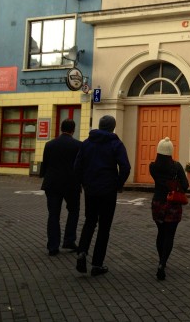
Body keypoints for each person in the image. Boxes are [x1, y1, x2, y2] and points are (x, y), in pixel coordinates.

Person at [74, 115, 130, 276]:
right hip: (108, 190)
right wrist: (118, 184)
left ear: (99, 125)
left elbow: (77, 166)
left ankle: (82, 252)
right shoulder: (115, 143)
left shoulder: (87, 143)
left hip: (91, 189)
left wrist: (84, 183)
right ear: (113, 127)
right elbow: (125, 167)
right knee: (104, 227)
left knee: (89, 222)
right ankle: (97, 264)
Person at [40, 118, 82, 256]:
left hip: (52, 184)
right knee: (74, 211)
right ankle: (69, 240)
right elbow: (81, 166)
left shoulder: (50, 144)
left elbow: (44, 165)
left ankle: (53, 246)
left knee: (53, 215)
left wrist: (44, 176)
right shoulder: (78, 145)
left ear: (61, 129)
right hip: (71, 184)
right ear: (73, 130)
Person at [149, 137, 189, 280]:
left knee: (161, 232)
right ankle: (162, 262)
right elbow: (185, 185)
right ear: (171, 151)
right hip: (172, 204)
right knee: (170, 234)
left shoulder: (152, 167)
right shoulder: (176, 166)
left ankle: (161, 260)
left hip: (158, 202)